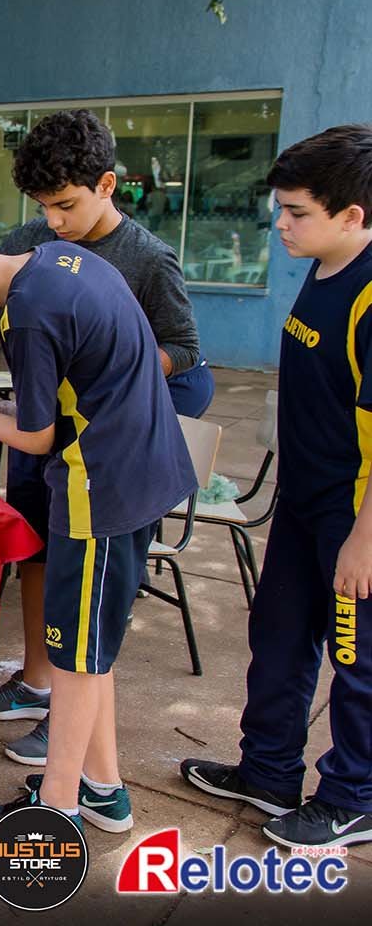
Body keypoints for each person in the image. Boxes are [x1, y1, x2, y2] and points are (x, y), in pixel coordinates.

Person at [0, 210, 195, 839]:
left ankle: (56, 808)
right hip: (137, 471)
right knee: (89, 650)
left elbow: (36, 434)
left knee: (74, 660)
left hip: (100, 488)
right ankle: (103, 789)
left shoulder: (25, 314)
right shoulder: (53, 263)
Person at [0, 109, 214, 767]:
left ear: (107, 185)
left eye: (66, 205)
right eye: (42, 206)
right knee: (36, 550)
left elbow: (185, 347)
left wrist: (113, 370)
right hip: (40, 428)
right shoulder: (31, 241)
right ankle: (36, 680)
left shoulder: (147, 257)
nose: (53, 222)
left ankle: (70, 724)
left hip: (103, 453)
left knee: (91, 602)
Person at [181, 125, 372, 849]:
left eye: (296, 212)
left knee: (356, 657)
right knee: (280, 634)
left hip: (355, 512)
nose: (281, 225)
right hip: (303, 496)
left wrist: (362, 541)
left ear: (352, 215)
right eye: (280, 209)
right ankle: (268, 771)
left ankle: (354, 796)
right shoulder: (323, 266)